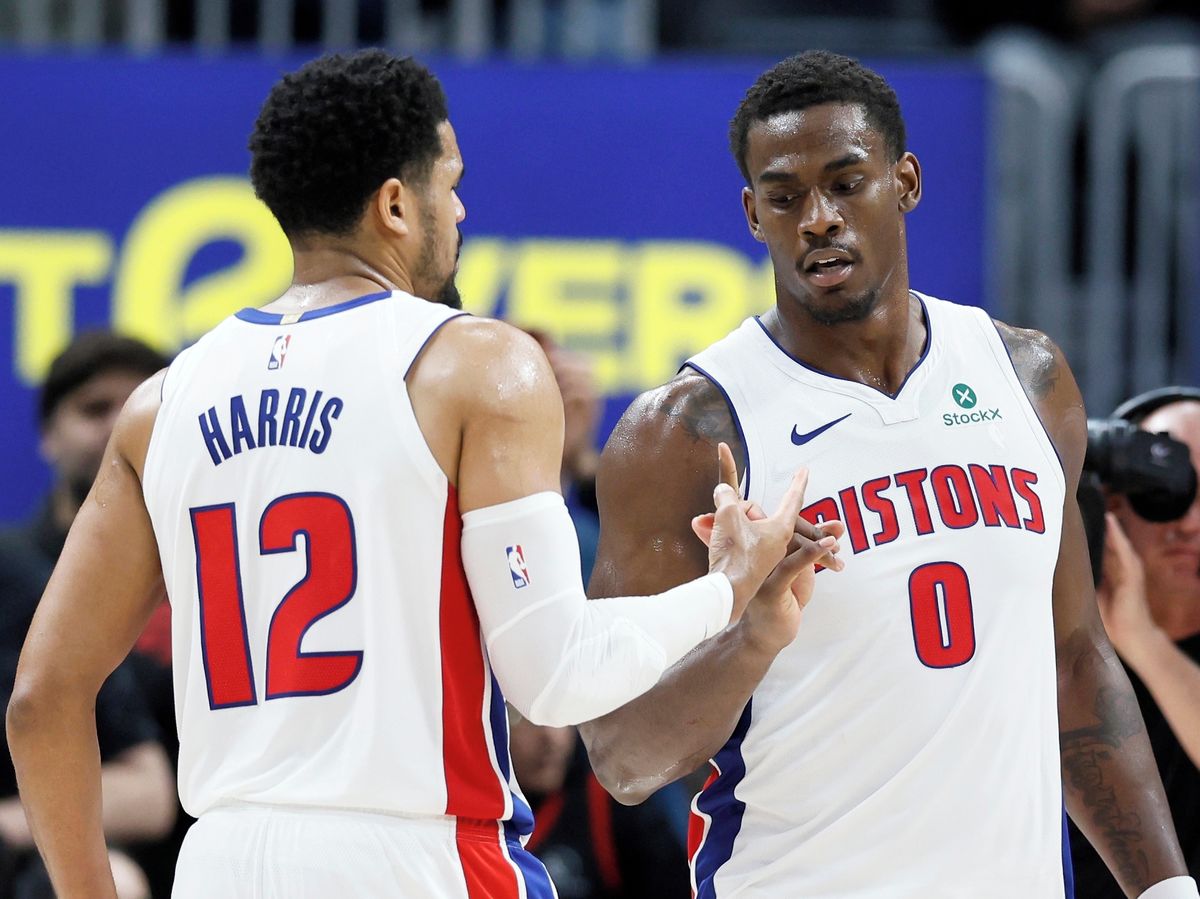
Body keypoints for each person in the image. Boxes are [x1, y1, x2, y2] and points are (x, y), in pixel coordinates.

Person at [4, 50, 841, 899]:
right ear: (396, 205)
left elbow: (41, 700)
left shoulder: (158, 406)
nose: (462, 208)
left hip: (221, 862)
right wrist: (726, 588)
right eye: (451, 182)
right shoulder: (472, 365)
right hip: (417, 858)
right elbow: (558, 676)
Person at [578, 50, 1197, 898]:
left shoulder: (1028, 378)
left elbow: (1075, 660)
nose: (818, 219)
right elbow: (622, 755)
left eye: (846, 183)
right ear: (753, 214)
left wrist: (1165, 887)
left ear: (904, 182)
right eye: (785, 197)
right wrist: (751, 631)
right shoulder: (684, 433)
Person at [0, 332, 176, 899]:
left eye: (138, 405)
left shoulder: (215, 565)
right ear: (48, 436)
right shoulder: (16, 578)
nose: (118, 425)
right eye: (95, 409)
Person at [1069, 390, 1200, 896]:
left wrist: (1141, 642)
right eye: (1166, 491)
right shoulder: (1052, 634)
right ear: (1112, 502)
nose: (1189, 523)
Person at [509, 711, 689, 899]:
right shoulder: (490, 816)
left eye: (560, 718)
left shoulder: (616, 797)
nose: (551, 738)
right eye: (525, 720)